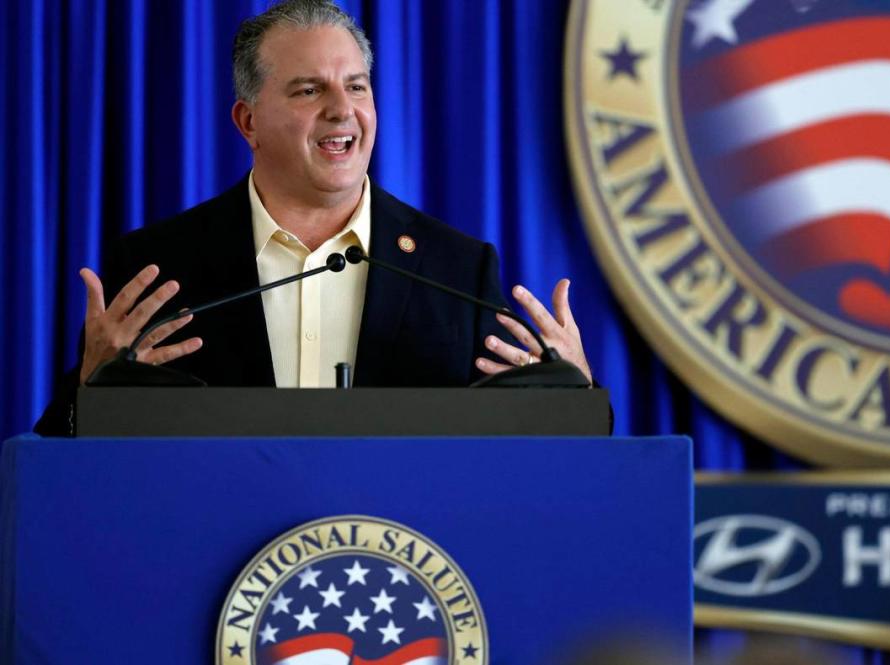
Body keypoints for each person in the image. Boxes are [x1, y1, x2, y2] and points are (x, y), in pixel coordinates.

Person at [34, 0, 592, 436]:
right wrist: (90, 388)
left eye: (356, 86)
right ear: (247, 121)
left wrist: (576, 395)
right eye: (309, 90)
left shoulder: (456, 271)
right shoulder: (159, 268)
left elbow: (529, 452)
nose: (341, 109)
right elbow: (64, 455)